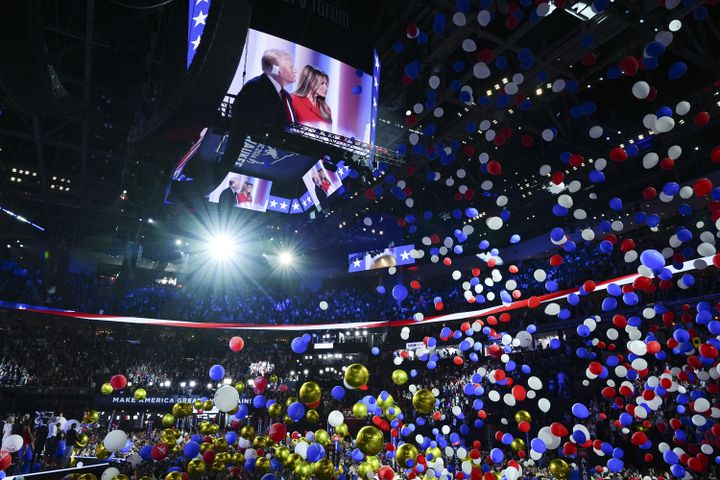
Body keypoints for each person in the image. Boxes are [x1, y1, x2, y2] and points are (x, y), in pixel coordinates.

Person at [222, 48, 298, 166]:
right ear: (276, 69)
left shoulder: (286, 96)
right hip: (248, 160)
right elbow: (241, 127)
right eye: (291, 67)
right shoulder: (255, 87)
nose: (295, 70)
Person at [291, 65, 332, 130]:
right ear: (311, 83)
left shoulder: (326, 109)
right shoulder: (293, 100)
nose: (326, 88)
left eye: (326, 84)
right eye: (322, 83)